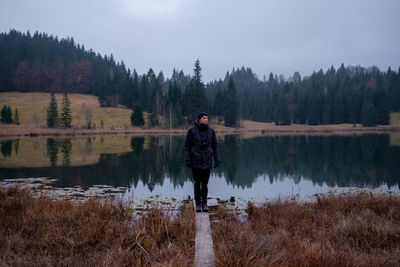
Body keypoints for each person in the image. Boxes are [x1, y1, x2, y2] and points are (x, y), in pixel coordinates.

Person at [184, 112, 220, 212]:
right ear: (199, 119)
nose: (206, 120)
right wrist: (187, 159)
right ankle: (198, 204)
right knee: (197, 183)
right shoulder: (192, 131)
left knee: (205, 184)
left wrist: (217, 159)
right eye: (204, 118)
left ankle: (204, 204)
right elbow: (187, 147)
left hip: (207, 161)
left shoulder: (211, 131)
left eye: (207, 118)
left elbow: (215, 147)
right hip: (195, 161)